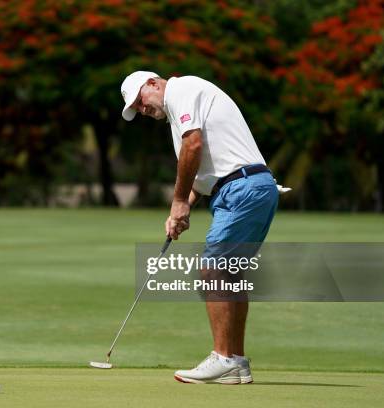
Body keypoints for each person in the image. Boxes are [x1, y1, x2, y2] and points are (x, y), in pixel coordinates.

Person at [120, 71, 280, 384]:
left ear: (153, 83)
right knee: (230, 272)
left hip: (242, 188)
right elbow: (202, 178)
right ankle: (236, 361)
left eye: (140, 100)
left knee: (213, 269)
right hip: (249, 187)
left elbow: (193, 146)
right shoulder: (180, 112)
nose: (142, 109)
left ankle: (222, 358)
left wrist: (179, 200)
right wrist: (180, 210)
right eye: (136, 109)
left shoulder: (181, 88)